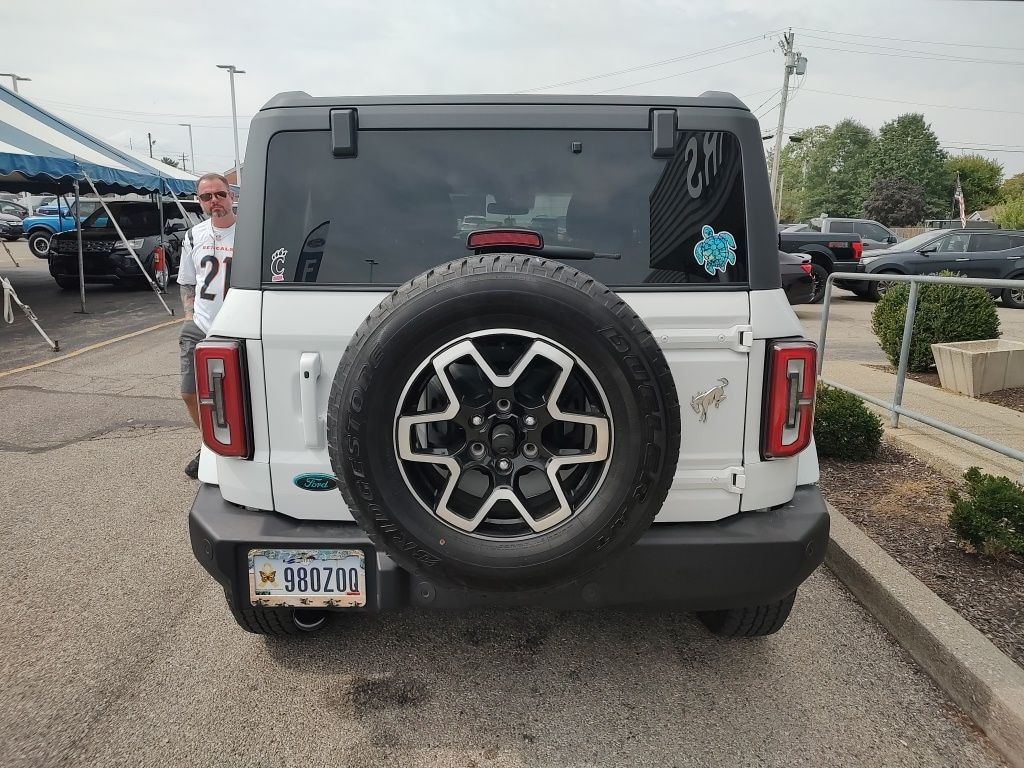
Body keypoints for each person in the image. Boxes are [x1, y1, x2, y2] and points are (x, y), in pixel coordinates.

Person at [178, 173, 236, 478]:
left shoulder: (250, 233)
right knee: (189, 392)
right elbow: (187, 281)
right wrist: (189, 316)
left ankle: (232, 445)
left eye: (220, 194)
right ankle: (210, 443)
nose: (214, 201)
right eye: (206, 197)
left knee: (233, 393)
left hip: (236, 325)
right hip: (200, 323)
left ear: (231, 196)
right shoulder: (193, 236)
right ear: (199, 202)